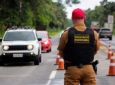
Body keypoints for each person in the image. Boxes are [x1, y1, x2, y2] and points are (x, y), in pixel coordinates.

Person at [57, 8, 100, 85]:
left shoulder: (66, 34)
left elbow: (60, 52)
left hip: (72, 70)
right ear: (84, 17)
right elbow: (96, 49)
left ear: (72, 18)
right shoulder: (94, 33)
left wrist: (70, 58)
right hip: (88, 69)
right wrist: (86, 55)